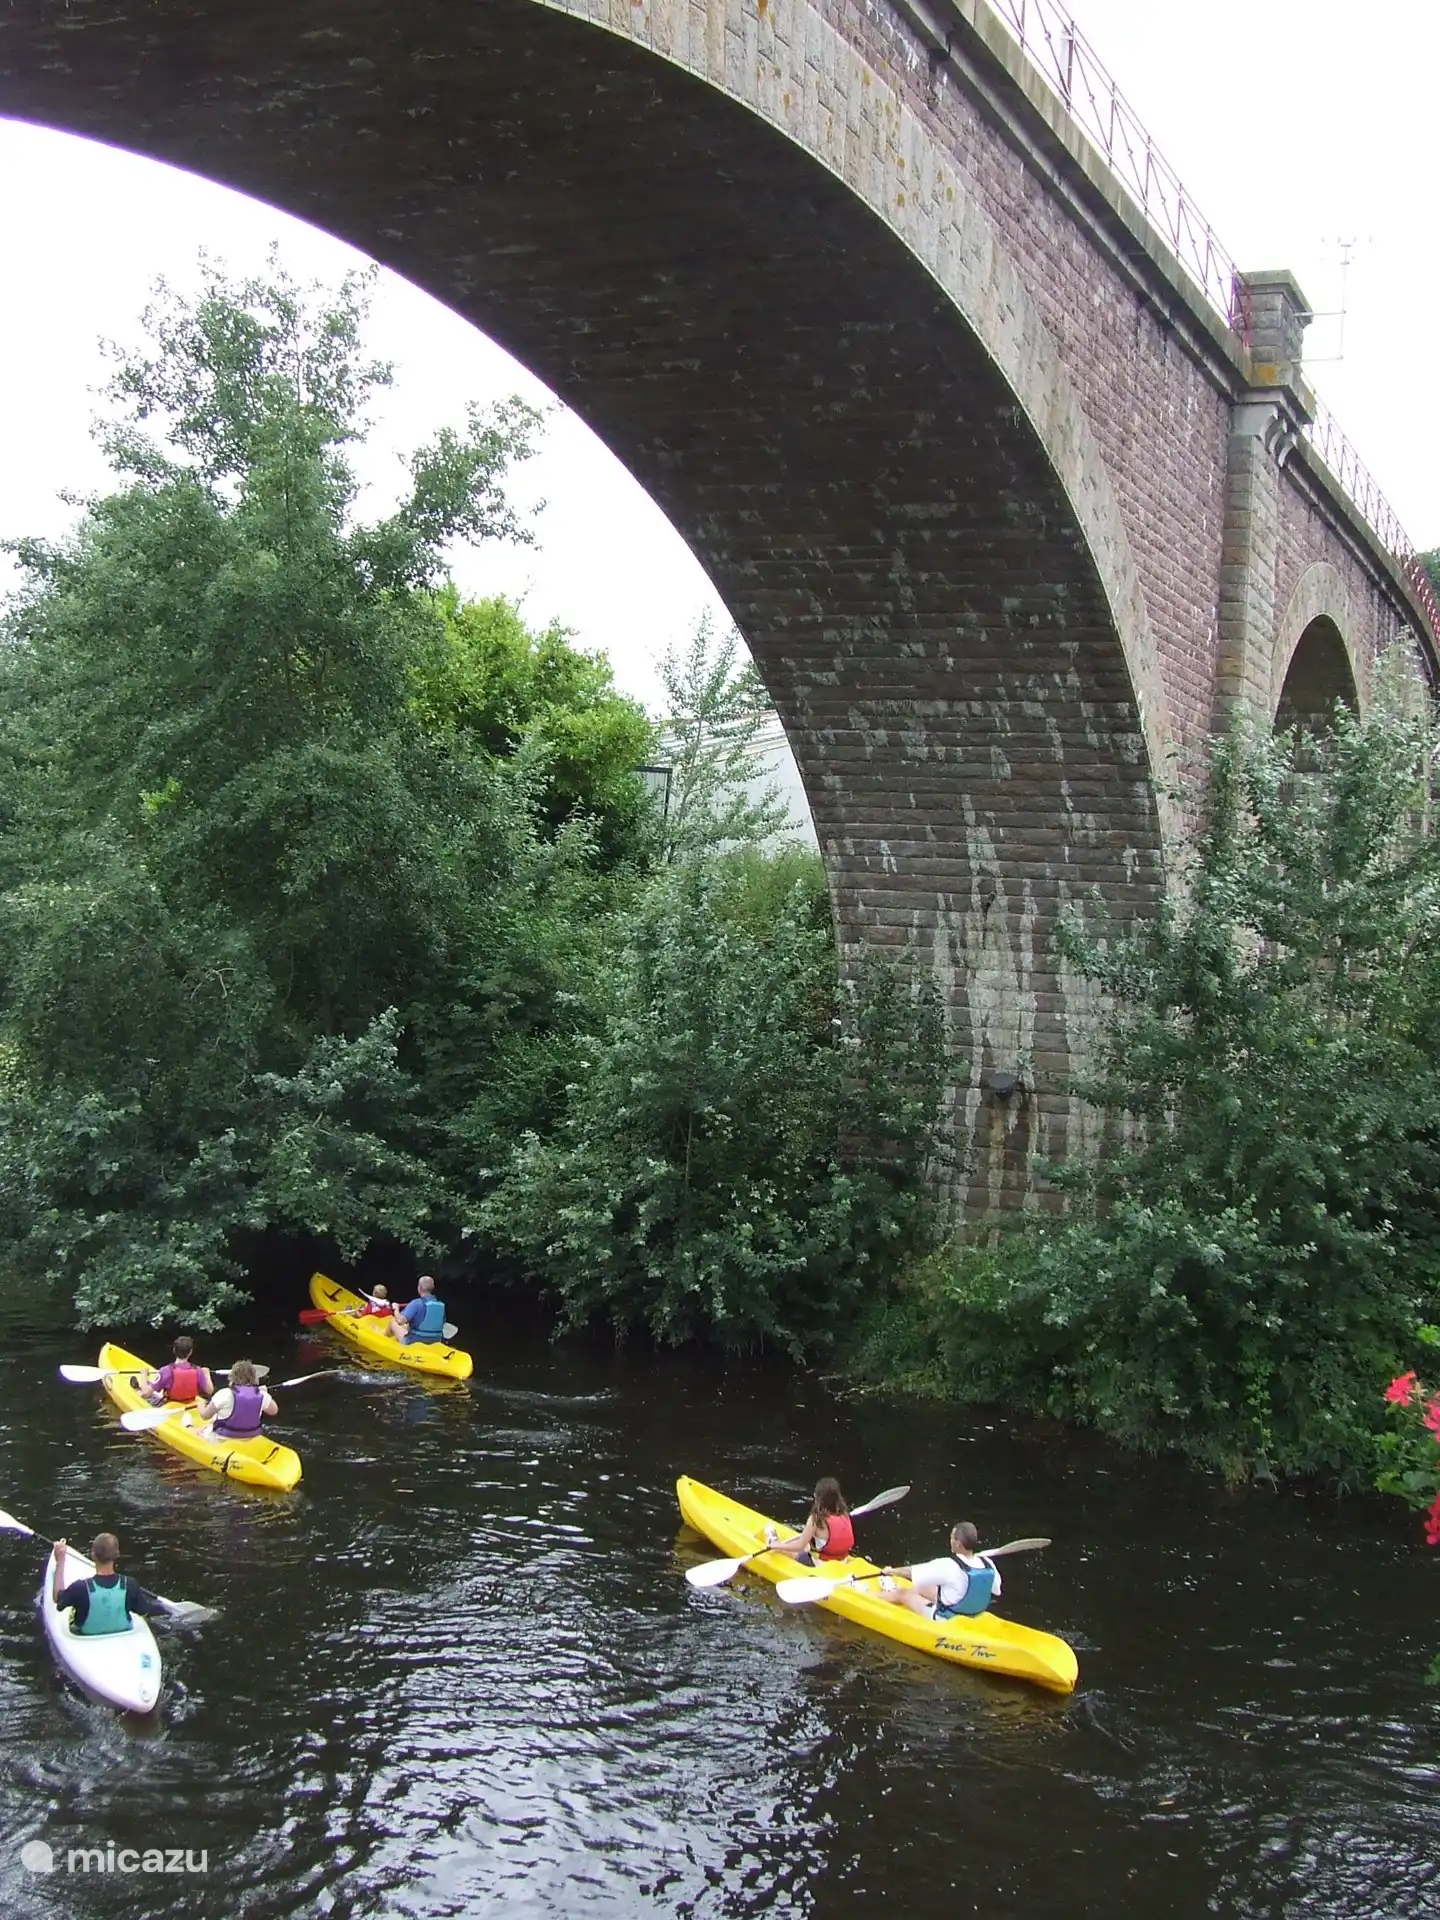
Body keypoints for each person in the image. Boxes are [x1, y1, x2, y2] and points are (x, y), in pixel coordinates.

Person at [51, 1533, 169, 1636]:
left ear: (93, 1555)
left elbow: (57, 1598)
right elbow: (143, 1611)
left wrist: (60, 1562)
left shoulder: (80, 1588)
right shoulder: (130, 1584)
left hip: (86, 1636)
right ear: (117, 1555)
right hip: (122, 1634)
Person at [877, 1521, 1001, 1619]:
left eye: (952, 1537)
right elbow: (997, 1591)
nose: (950, 1540)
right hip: (974, 1616)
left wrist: (891, 1571)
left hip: (946, 1618)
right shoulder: (988, 1563)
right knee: (923, 1587)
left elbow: (912, 1572)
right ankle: (892, 1590)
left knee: (904, 1594)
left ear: (958, 1544)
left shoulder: (949, 1565)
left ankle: (866, 1596)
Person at [764, 1478, 855, 1566]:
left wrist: (776, 1545)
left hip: (820, 1564)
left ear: (817, 1497)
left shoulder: (815, 1519)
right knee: (808, 1547)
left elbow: (799, 1546)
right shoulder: (844, 1514)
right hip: (843, 1562)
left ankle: (772, 1541)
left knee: (797, 1552)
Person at [196, 1359, 278, 1439]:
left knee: (193, 1427)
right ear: (254, 1377)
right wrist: (265, 1394)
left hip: (223, 1436)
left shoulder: (224, 1393)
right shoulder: (261, 1394)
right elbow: (274, 1411)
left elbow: (204, 1416)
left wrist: (200, 1404)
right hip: (251, 1435)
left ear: (233, 1376)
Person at [140, 1335, 214, 1407]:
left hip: (171, 1405)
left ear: (174, 1350)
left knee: (141, 1392)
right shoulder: (198, 1370)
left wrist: (144, 1375)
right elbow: (210, 1391)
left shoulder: (166, 1371)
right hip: (191, 1404)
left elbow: (146, 1393)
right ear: (190, 1352)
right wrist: (207, 1374)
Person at [389, 1275, 447, 1345]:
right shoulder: (441, 1305)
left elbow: (400, 1321)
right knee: (406, 1326)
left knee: (393, 1321)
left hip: (414, 1342)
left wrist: (396, 1308)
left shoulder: (416, 1303)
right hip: (436, 1341)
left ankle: (382, 1336)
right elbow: (441, 1323)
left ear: (419, 1288)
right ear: (432, 1288)